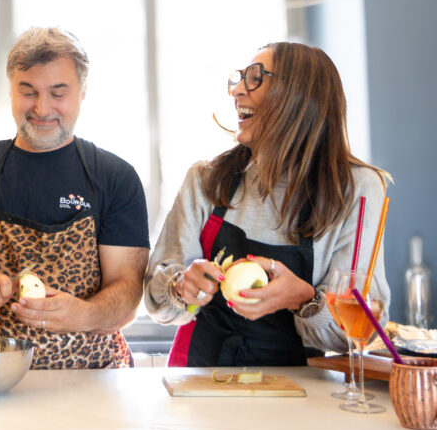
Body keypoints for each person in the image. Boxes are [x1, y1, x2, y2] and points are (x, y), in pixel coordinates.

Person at [145, 42, 392, 367]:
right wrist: (181, 287)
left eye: (256, 78)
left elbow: (358, 331)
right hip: (202, 383)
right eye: (239, 79)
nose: (237, 92)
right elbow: (156, 299)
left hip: (302, 398)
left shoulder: (357, 190)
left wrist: (303, 299)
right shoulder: (206, 180)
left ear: (301, 96)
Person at [0, 27, 150, 369]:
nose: (42, 108)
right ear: (11, 92)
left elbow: (128, 292)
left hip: (92, 380)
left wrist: (84, 313)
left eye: (58, 93)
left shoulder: (115, 178)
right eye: (28, 92)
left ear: (82, 94)